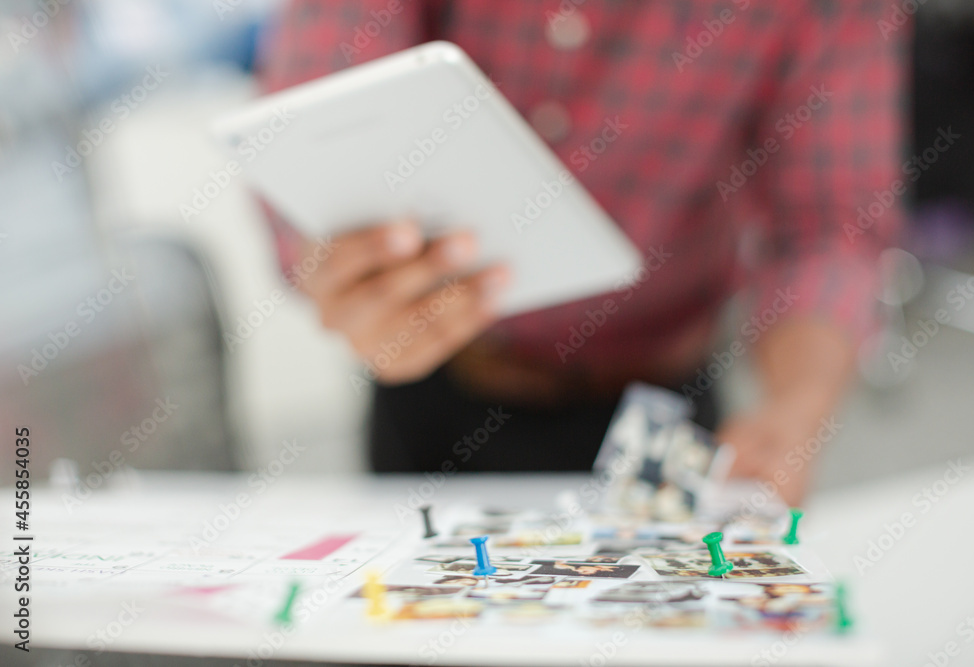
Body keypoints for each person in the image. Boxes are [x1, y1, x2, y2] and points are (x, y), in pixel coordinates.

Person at [256, 0, 904, 504]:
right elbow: (315, 107)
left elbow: (830, 225)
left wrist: (796, 410)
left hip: (664, 405)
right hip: (434, 387)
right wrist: (338, 260)